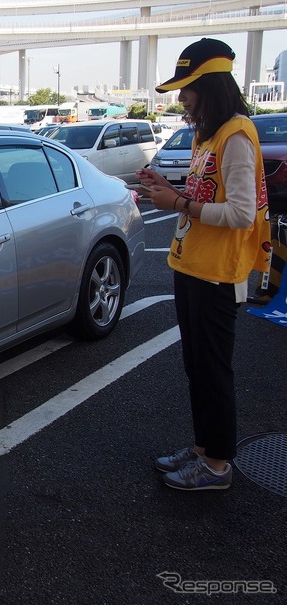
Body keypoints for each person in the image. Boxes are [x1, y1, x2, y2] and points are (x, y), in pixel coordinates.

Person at [137, 38, 271, 491]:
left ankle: (217, 465)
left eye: (187, 89)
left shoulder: (236, 135)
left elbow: (240, 213)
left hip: (218, 275)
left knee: (214, 370)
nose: (181, 99)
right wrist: (167, 189)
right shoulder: (207, 134)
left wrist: (177, 203)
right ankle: (203, 449)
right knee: (197, 367)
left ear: (209, 86)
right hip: (191, 266)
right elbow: (204, 196)